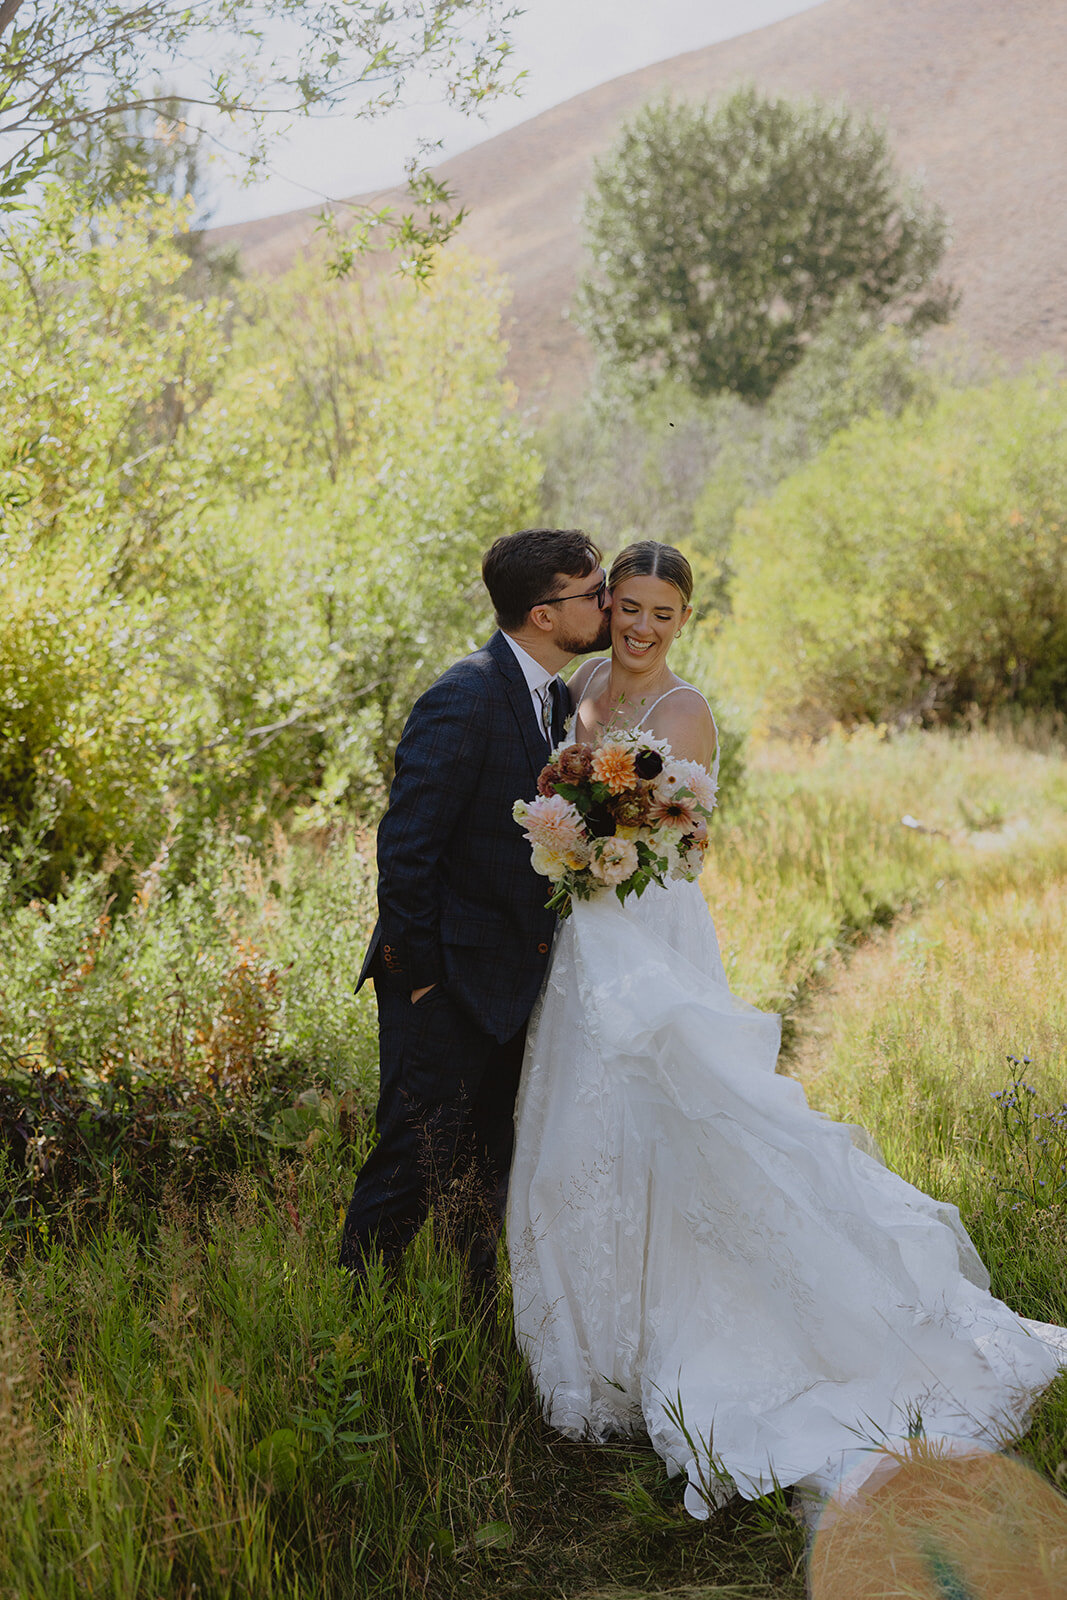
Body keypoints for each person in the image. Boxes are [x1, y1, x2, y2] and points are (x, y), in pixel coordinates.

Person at [507, 539, 1067, 1518]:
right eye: (628, 607)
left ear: (684, 621)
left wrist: (614, 844)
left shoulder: (686, 712)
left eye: (660, 613)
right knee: (575, 1140)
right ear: (608, 608)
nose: (639, 627)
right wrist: (565, 847)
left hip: (651, 934)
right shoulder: (584, 682)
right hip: (583, 946)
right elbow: (557, 792)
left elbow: (688, 840)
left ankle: (714, 1344)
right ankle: (591, 1355)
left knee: (679, 1125)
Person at [338, 527, 612, 1301]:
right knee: (410, 1164)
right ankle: (353, 1335)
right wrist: (422, 980)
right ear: (543, 614)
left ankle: (475, 1328)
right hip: (446, 984)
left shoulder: (552, 697)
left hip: (505, 984)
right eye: (591, 592)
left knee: (485, 1169)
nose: (606, 603)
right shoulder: (464, 694)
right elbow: (406, 850)